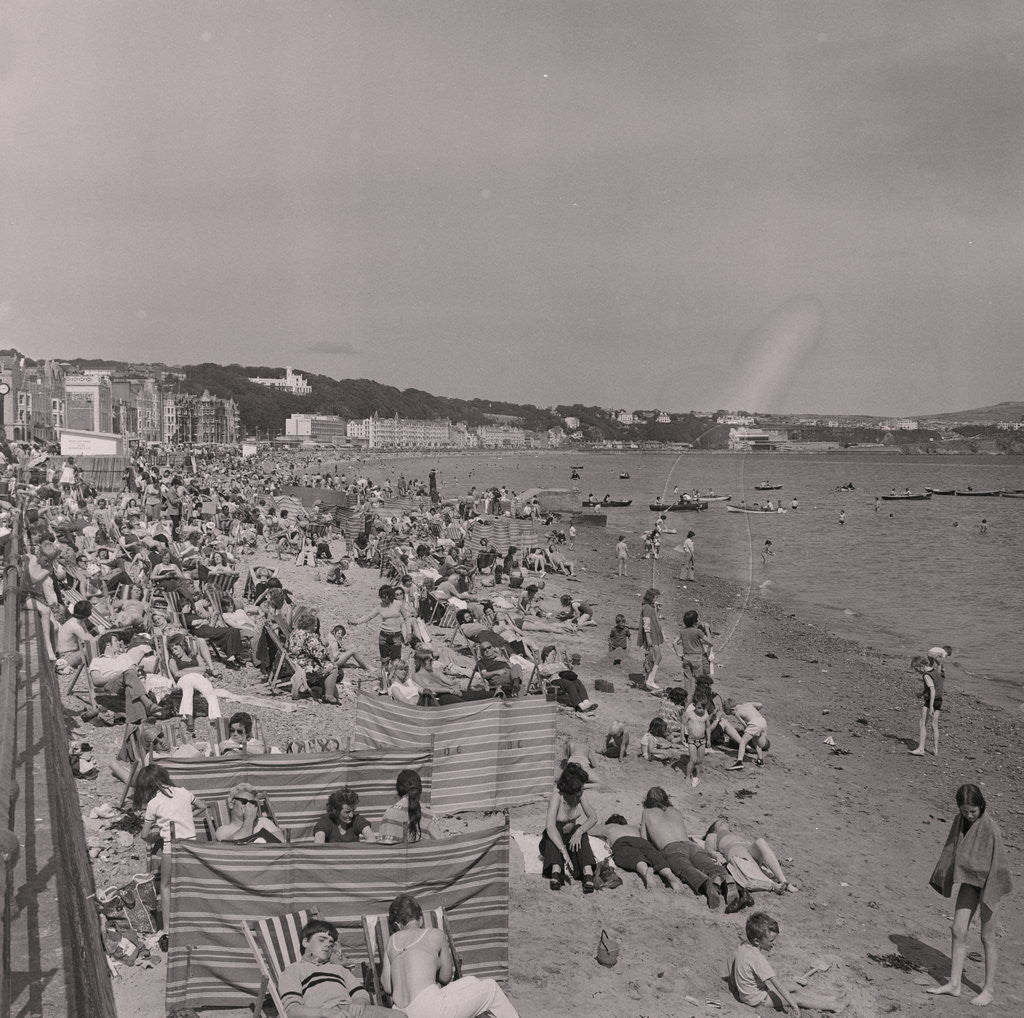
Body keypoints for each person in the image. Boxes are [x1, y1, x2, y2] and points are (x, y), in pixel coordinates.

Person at [926, 783, 1013, 1006]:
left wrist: (991, 890)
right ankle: (955, 984)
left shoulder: (990, 827)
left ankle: (989, 989)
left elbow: (1000, 864)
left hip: (989, 883)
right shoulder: (959, 821)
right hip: (970, 881)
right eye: (965, 811)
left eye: (973, 811)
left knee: (987, 936)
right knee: (957, 929)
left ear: (981, 805)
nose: (969, 815)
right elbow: (951, 850)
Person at [382, 894, 520, 1018]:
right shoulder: (435, 934)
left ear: (397, 925)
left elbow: (387, 987)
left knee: (471, 981)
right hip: (431, 1010)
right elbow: (445, 978)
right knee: (491, 988)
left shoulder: (391, 941)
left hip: (401, 1013)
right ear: (421, 919)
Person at [639, 787, 736, 910]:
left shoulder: (647, 812)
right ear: (665, 798)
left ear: (647, 800)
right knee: (708, 865)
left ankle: (707, 885)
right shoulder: (675, 810)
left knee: (685, 869)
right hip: (690, 845)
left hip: (671, 847)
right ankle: (726, 879)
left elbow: (644, 841)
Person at [135, 763, 208, 927]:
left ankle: (167, 929)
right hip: (191, 846)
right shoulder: (183, 791)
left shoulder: (154, 803)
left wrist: (156, 836)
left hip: (171, 847)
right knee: (190, 884)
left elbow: (144, 835)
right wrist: (187, 816)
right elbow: (203, 806)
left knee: (166, 886)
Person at [730, 912, 845, 1013]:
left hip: (751, 992)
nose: (773, 944)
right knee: (797, 998)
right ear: (756, 941)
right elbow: (777, 984)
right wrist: (794, 1005)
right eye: (771, 941)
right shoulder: (757, 958)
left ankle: (829, 998)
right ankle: (834, 1006)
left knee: (794, 986)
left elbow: (732, 959)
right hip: (756, 999)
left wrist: (734, 984)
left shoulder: (744, 945)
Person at [279, 918, 388, 1017]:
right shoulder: (294, 969)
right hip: (321, 1013)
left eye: (331, 943)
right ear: (305, 942)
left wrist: (360, 1001)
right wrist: (325, 1013)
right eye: (322, 940)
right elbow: (292, 1010)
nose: (328, 945)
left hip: (352, 1012)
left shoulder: (339, 969)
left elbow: (359, 992)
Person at [539, 763, 597, 892]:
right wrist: (563, 851)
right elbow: (550, 827)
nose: (582, 788)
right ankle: (556, 872)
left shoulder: (580, 795)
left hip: (570, 841)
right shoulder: (557, 796)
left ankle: (588, 874)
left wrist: (579, 832)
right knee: (556, 827)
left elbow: (593, 817)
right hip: (553, 842)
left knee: (579, 828)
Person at [591, 814, 684, 892]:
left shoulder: (608, 827)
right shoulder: (634, 827)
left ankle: (645, 872)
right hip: (641, 841)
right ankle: (668, 874)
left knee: (634, 857)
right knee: (653, 855)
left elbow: (588, 830)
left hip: (622, 841)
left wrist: (602, 825)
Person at [704, 818, 796, 895]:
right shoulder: (714, 835)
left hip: (749, 849)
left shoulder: (734, 834)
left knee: (760, 841)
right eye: (719, 822)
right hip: (734, 850)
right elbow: (708, 848)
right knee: (745, 863)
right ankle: (773, 885)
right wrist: (716, 855)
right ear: (714, 828)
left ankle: (783, 881)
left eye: (724, 820)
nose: (723, 820)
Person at [166, 635, 222, 732]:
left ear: (183, 646)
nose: (174, 652)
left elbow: (203, 669)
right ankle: (189, 717)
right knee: (188, 689)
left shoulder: (197, 656)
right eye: (172, 650)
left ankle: (216, 718)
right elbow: (176, 673)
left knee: (210, 693)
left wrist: (185, 670)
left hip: (199, 678)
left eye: (176, 648)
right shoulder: (172, 660)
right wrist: (195, 670)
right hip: (183, 680)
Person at [378, 769, 442, 844]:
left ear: (398, 790)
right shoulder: (430, 816)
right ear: (420, 790)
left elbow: (383, 849)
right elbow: (440, 846)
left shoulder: (389, 814)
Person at [215, 783, 286, 844]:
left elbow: (281, 843)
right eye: (244, 801)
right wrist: (249, 820)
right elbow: (235, 847)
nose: (249, 806)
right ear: (231, 804)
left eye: (252, 803)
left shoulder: (264, 822)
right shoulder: (223, 831)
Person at [672, 609, 712, 697]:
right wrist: (707, 629)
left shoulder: (682, 631)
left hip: (686, 659)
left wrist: (678, 654)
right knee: (700, 682)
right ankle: (698, 699)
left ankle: (687, 700)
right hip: (697, 659)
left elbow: (674, 642)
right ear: (696, 621)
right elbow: (710, 642)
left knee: (687, 681)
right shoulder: (698, 631)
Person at [726, 700, 770, 769]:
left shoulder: (737, 713)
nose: (733, 714)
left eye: (732, 713)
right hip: (763, 721)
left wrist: (745, 732)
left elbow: (745, 725)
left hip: (754, 724)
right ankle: (760, 760)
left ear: (733, 709)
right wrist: (756, 711)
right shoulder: (748, 704)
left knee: (742, 742)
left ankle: (739, 762)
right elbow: (760, 704)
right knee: (756, 741)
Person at [637, 587, 664, 693]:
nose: (656, 599)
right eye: (655, 597)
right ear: (651, 597)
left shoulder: (648, 607)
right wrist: (648, 637)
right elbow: (646, 623)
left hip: (652, 635)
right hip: (651, 635)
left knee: (652, 657)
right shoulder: (647, 608)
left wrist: (657, 610)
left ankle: (649, 679)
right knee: (658, 656)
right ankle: (650, 680)